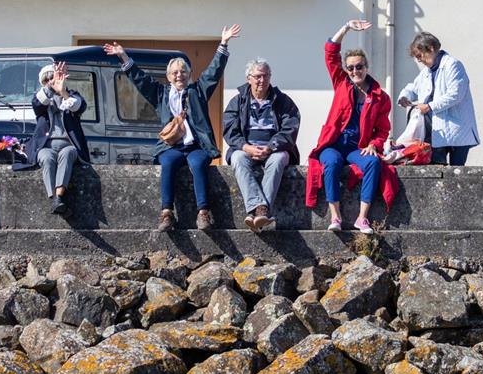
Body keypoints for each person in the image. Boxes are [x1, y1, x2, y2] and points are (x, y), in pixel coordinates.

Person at [103, 24, 241, 231]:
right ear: (168, 76)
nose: (179, 75)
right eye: (175, 72)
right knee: (167, 165)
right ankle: (166, 214)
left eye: (183, 71)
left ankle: (203, 213)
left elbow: (213, 72)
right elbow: (140, 80)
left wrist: (223, 43)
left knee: (197, 165)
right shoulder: (161, 94)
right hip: (172, 147)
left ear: (189, 74)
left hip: (196, 146)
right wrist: (123, 56)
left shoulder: (197, 91)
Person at [305, 20, 391, 235]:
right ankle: (336, 215)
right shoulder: (341, 83)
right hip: (333, 143)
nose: (355, 71)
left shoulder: (381, 97)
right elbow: (330, 52)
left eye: (359, 67)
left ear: (366, 67)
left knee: (372, 162)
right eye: (350, 67)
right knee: (331, 163)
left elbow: (382, 130)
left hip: (357, 146)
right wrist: (345, 28)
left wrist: (374, 143)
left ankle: (362, 218)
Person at [223, 58, 300, 232]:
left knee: (279, 159)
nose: (262, 80)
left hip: (274, 149)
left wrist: (271, 146)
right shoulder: (238, 101)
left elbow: (291, 127)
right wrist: (246, 147)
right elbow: (229, 130)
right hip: (246, 147)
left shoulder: (282, 101)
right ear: (248, 78)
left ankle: (256, 211)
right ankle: (261, 209)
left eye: (265, 76)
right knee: (237, 158)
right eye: (257, 76)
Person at [16, 62, 89, 217]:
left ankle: (60, 195)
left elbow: (79, 107)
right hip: (46, 146)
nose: (53, 81)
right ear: (43, 83)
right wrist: (51, 88)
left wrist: (63, 92)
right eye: (48, 78)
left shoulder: (72, 96)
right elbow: (37, 103)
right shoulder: (42, 99)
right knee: (47, 158)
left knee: (67, 154)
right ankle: (55, 199)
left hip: (68, 145)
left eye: (56, 77)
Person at [397, 32, 479, 165]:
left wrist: (429, 106)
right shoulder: (426, 72)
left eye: (419, 55)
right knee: (435, 171)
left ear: (430, 48)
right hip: (436, 132)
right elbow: (413, 87)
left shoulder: (453, 65)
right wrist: (404, 96)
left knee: (456, 173)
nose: (419, 60)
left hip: (457, 130)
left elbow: (455, 94)